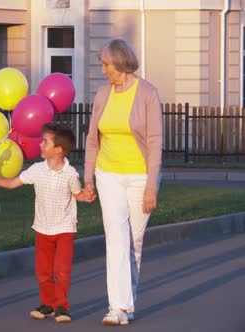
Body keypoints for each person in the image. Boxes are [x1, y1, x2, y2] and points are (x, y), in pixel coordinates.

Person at [84, 38, 163, 326]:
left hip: (140, 176)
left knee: (134, 242)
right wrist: (89, 176)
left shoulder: (147, 93)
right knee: (116, 237)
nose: (103, 70)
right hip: (109, 175)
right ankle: (116, 307)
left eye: (106, 65)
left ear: (120, 63)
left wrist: (152, 184)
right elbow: (93, 139)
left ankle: (127, 303)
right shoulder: (103, 94)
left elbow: (155, 142)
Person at [0, 123, 95, 323]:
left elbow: (76, 194)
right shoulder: (37, 170)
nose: (40, 144)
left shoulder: (70, 174)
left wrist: (86, 196)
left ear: (59, 150)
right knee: (43, 271)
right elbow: (11, 183)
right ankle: (48, 304)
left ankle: (62, 306)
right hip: (43, 228)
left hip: (64, 229)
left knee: (61, 270)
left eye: (45, 141)